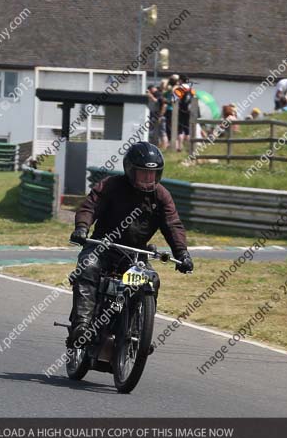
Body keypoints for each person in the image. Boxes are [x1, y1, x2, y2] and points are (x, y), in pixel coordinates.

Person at [68, 142, 193, 345]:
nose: (147, 179)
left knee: (149, 280)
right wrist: (82, 228)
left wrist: (182, 253)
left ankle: (137, 332)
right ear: (130, 170)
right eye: (142, 174)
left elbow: (172, 223)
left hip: (135, 254)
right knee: (88, 267)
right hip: (102, 247)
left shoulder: (161, 196)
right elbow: (90, 206)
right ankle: (81, 325)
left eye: (151, 175)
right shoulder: (111, 185)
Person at [173, 75, 195, 152]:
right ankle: (189, 148)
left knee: (180, 130)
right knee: (187, 130)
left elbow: (174, 100)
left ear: (181, 81)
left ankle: (180, 147)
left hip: (180, 111)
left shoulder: (179, 89)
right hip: (189, 112)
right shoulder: (191, 90)